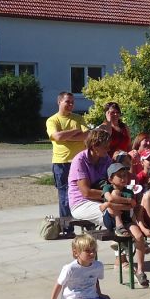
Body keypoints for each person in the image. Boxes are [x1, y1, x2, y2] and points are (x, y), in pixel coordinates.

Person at [38, 234, 127, 299]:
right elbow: (59, 284)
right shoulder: (70, 268)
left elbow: (95, 279)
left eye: (94, 250)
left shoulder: (98, 266)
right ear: (76, 253)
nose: (92, 254)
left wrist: (99, 294)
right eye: (87, 251)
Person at [46, 92, 87, 234]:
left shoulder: (78, 118)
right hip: (62, 163)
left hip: (79, 162)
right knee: (64, 196)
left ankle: (87, 225)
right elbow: (57, 136)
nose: (70, 104)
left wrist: (66, 136)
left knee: (83, 193)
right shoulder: (52, 120)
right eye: (67, 102)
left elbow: (87, 135)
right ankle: (67, 229)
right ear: (59, 102)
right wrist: (75, 131)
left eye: (72, 102)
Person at [67, 128, 114, 224]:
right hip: (81, 203)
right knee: (112, 214)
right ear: (94, 146)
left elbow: (114, 180)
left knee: (128, 210)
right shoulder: (80, 160)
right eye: (105, 147)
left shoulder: (106, 159)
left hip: (100, 200)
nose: (108, 149)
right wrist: (111, 195)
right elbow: (86, 193)